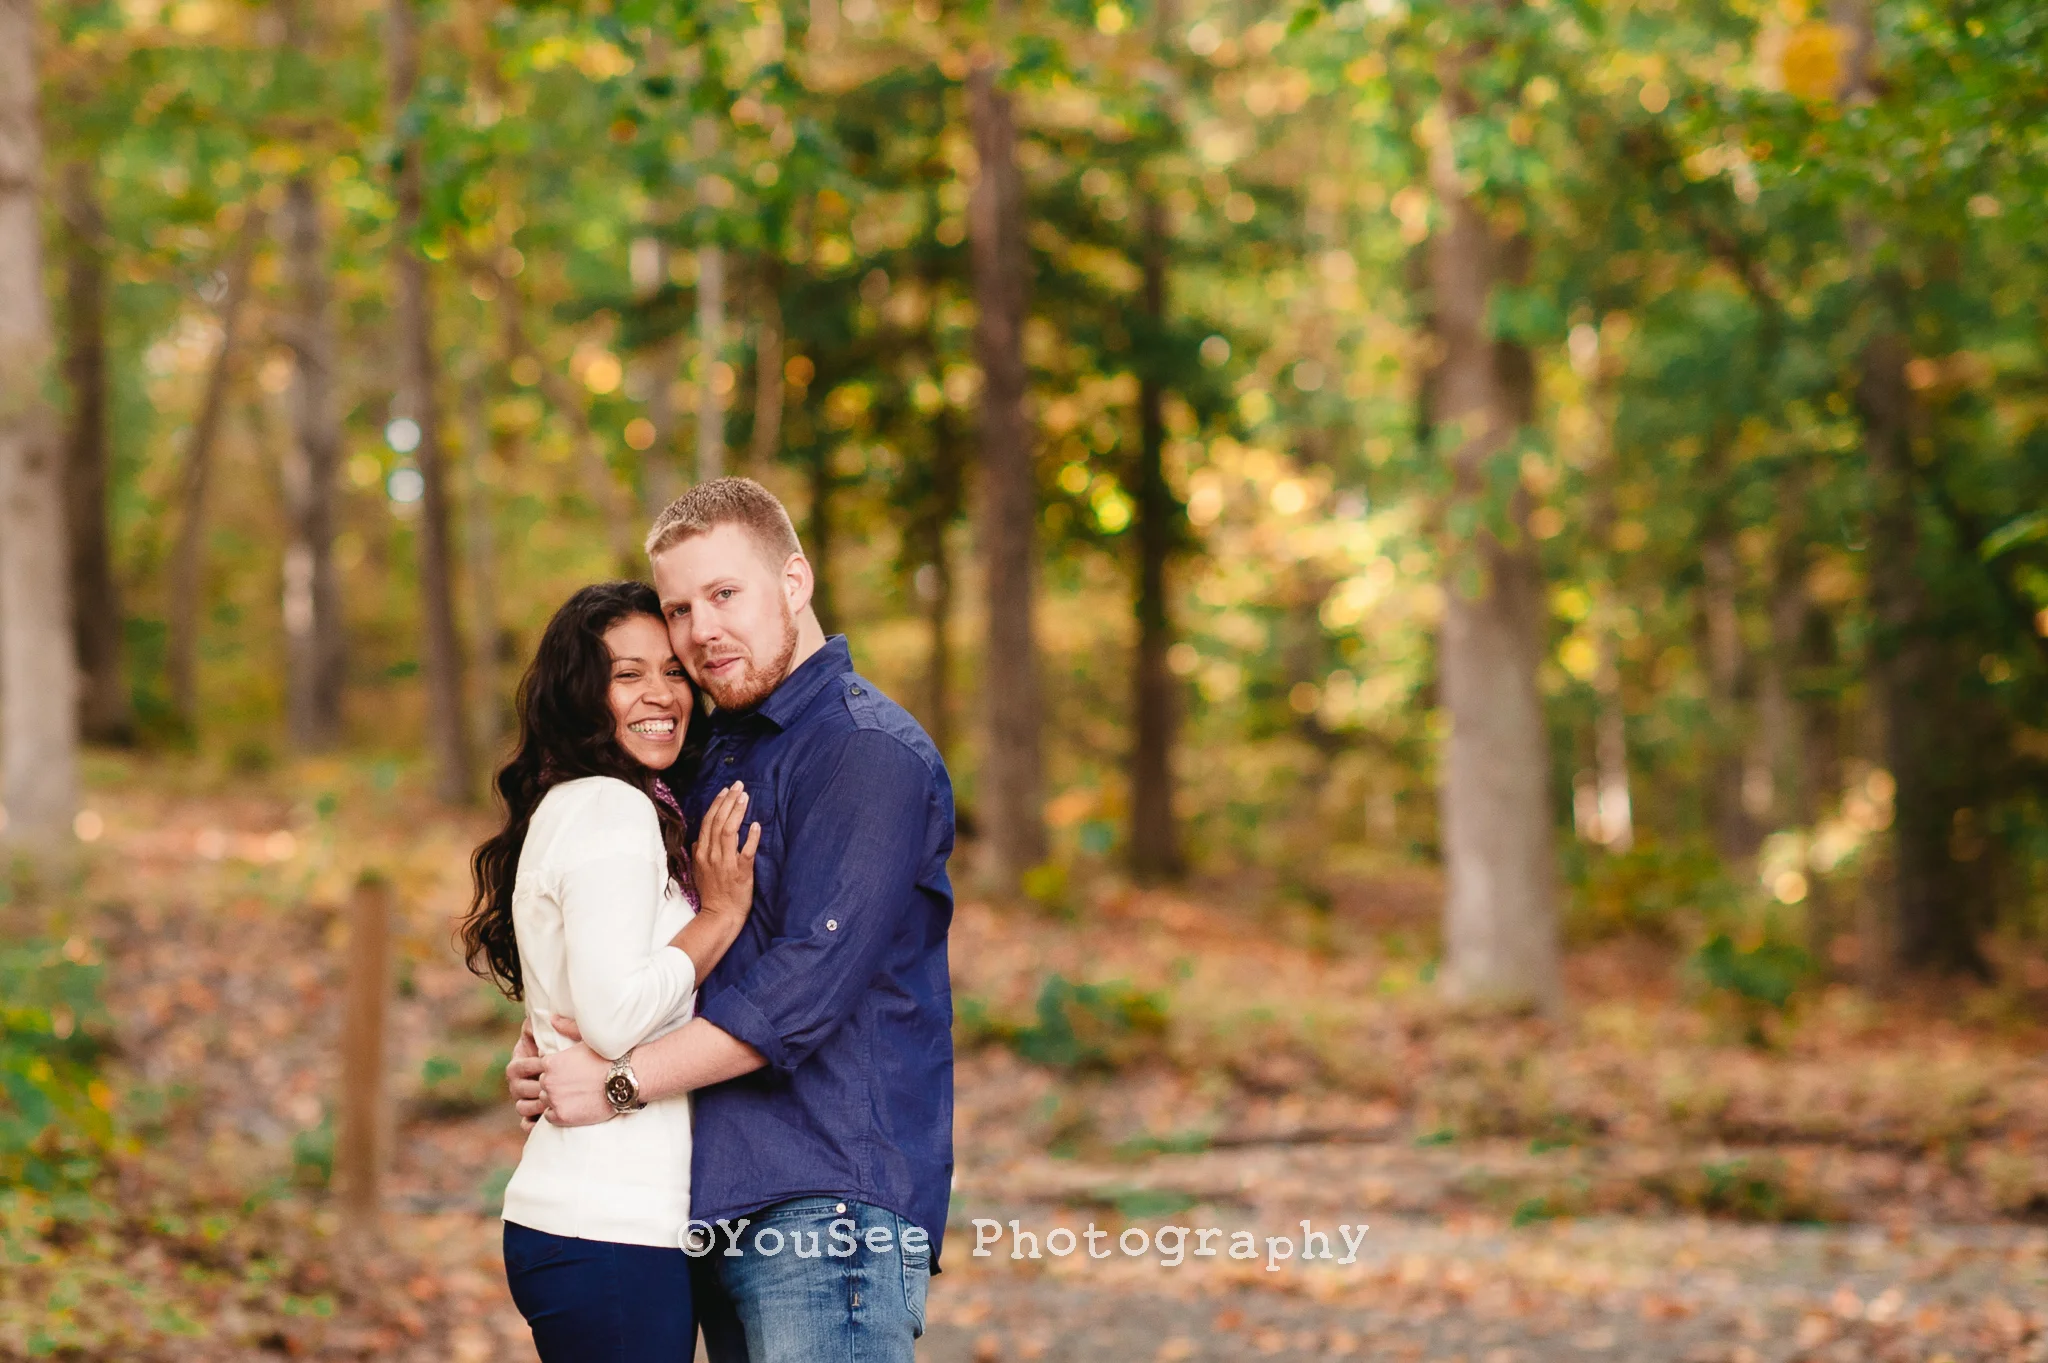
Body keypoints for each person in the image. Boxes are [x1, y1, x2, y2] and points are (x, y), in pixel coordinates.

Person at [507, 478, 955, 1363]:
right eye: (679, 607)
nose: (700, 629)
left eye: (724, 593)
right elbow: (641, 942)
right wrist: (551, 1043)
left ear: (795, 581)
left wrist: (620, 1079)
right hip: (707, 1207)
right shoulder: (710, 750)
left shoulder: (865, 752)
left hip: (828, 1211)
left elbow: (804, 987)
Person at [461, 580, 762, 1363]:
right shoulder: (610, 808)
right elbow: (614, 1016)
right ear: (580, 694)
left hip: (605, 1227)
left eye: (671, 670)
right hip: (607, 1228)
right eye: (627, 675)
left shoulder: (598, 802)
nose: (661, 693)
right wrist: (720, 918)